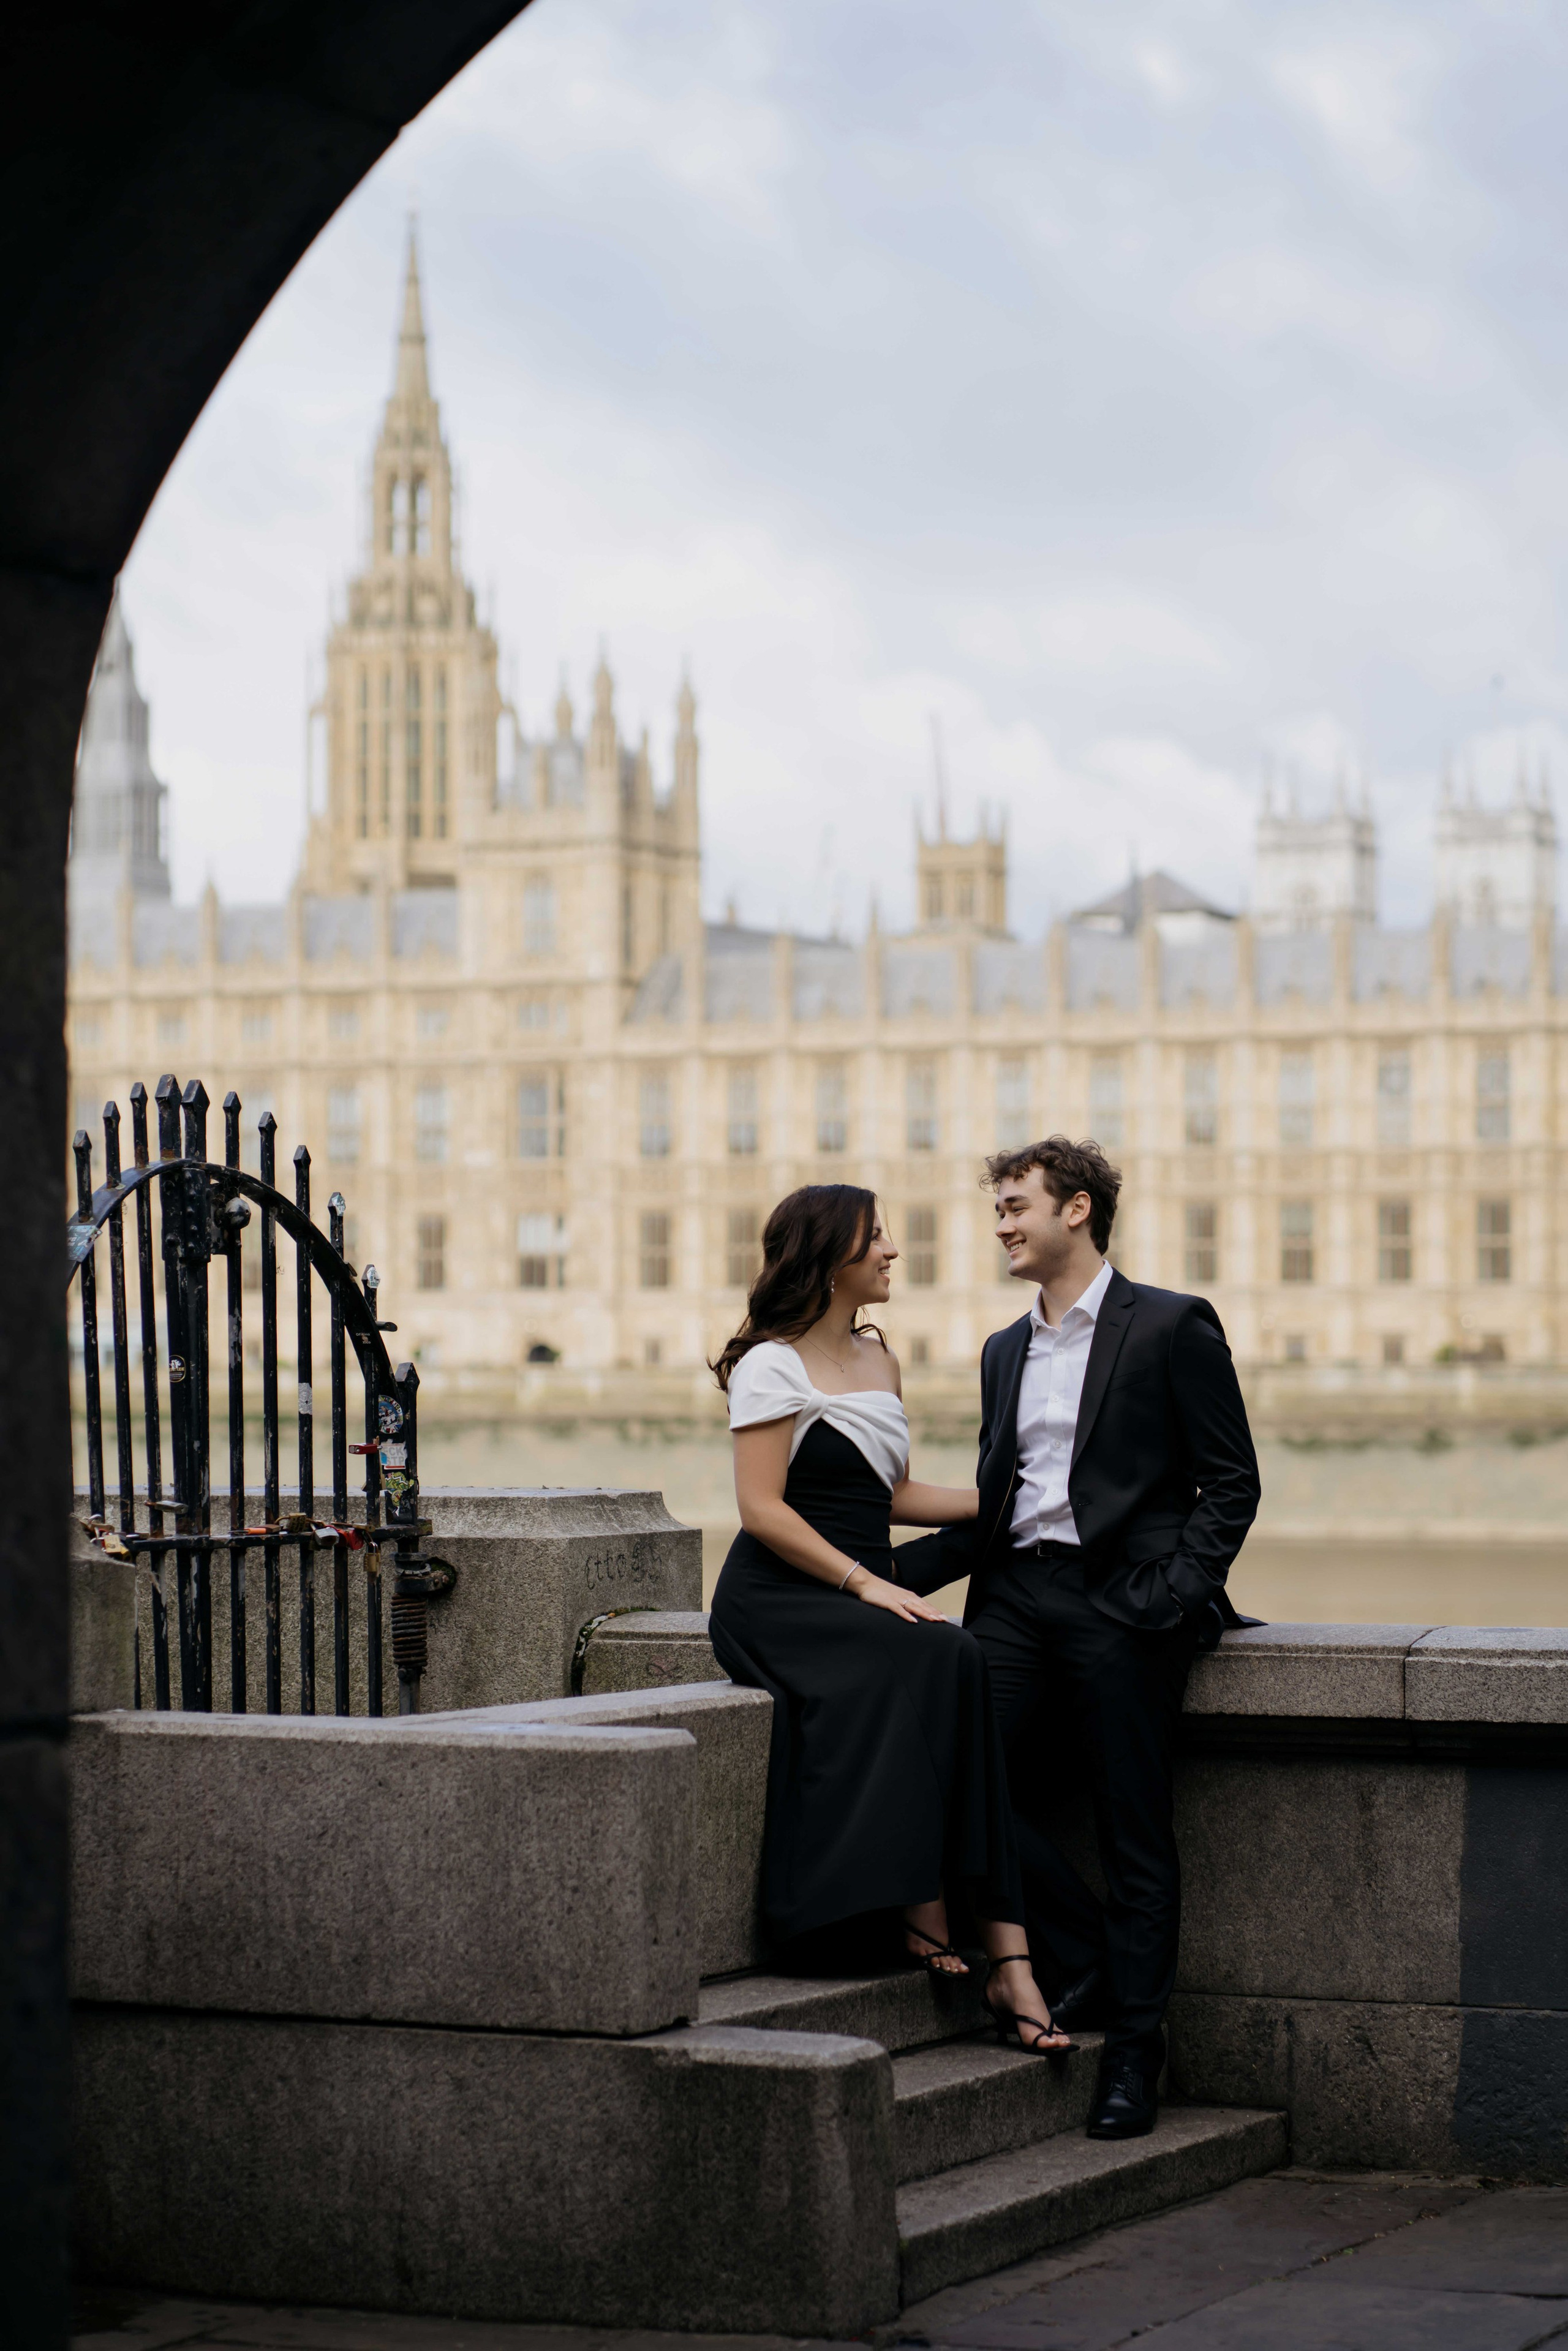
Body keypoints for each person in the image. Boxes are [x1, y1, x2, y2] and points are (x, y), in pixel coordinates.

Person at [899, 1138, 1261, 2140]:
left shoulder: (1173, 1326)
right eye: (999, 1208)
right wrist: (870, 1579)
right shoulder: (1003, 1350)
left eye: (1018, 1205)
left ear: (1080, 1210)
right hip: (1016, 1598)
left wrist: (1174, 1594)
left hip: (1122, 1603)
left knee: (1132, 1829)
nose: (1002, 1224)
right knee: (952, 1784)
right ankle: (1096, 1952)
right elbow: (994, 1506)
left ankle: (1136, 2054)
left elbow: (1232, 1482)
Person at [707, 1182, 1069, 2051]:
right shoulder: (770, 1363)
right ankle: (949, 1920)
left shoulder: (881, 1360)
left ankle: (1000, 1950)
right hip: (781, 1596)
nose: (892, 1250)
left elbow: (893, 1493)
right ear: (829, 1255)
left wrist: (1008, 1503)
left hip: (857, 1574)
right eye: (876, 1237)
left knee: (959, 1654)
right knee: (939, 1652)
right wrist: (866, 1585)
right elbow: (762, 1510)